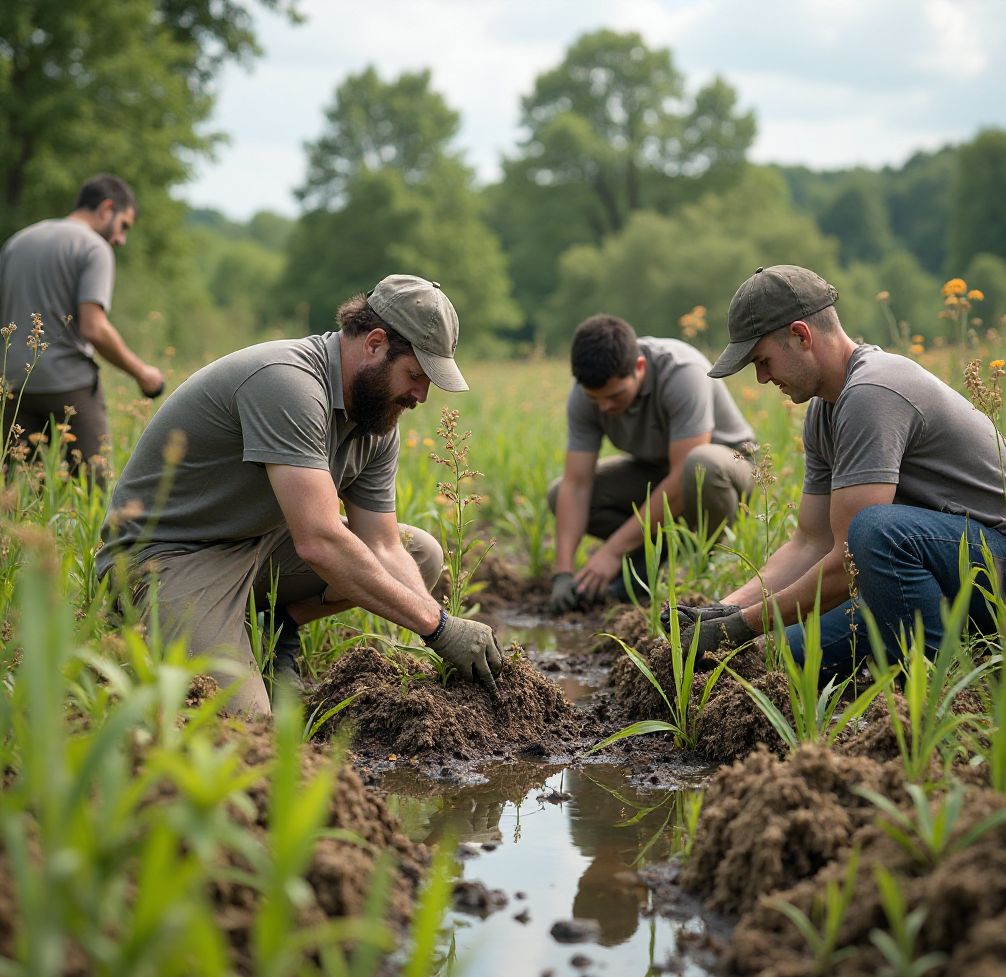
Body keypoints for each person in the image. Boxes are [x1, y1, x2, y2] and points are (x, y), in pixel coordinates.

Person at [97, 274, 502, 716]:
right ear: (375, 343)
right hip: (172, 556)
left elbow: (382, 543)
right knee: (246, 725)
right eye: (416, 375)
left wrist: (443, 624)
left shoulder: (375, 419)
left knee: (419, 552)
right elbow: (320, 541)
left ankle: (276, 623)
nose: (421, 395)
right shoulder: (287, 382)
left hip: (257, 544)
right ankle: (188, 625)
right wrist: (438, 628)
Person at [664, 264, 1006, 679]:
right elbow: (811, 541)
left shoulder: (873, 391)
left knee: (876, 530)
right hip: (936, 573)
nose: (761, 378)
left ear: (801, 335)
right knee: (779, 656)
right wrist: (725, 610)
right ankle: (918, 654)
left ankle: (943, 685)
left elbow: (849, 560)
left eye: (761, 360)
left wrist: (742, 626)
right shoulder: (824, 409)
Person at [548, 314, 756, 611]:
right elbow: (576, 484)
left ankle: (705, 567)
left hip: (730, 466)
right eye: (596, 400)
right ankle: (651, 559)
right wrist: (563, 572)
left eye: (615, 396)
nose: (605, 407)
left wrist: (613, 551)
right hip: (660, 470)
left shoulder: (682, 372)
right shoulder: (585, 394)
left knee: (700, 465)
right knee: (559, 494)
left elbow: (685, 475)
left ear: (640, 368)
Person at [0, 174, 165, 483]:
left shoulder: (18, 241)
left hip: (12, 385)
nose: (121, 239)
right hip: (68, 384)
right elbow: (94, 328)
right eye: (124, 226)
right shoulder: (94, 247)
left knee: (15, 492)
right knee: (94, 486)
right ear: (107, 208)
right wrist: (143, 373)